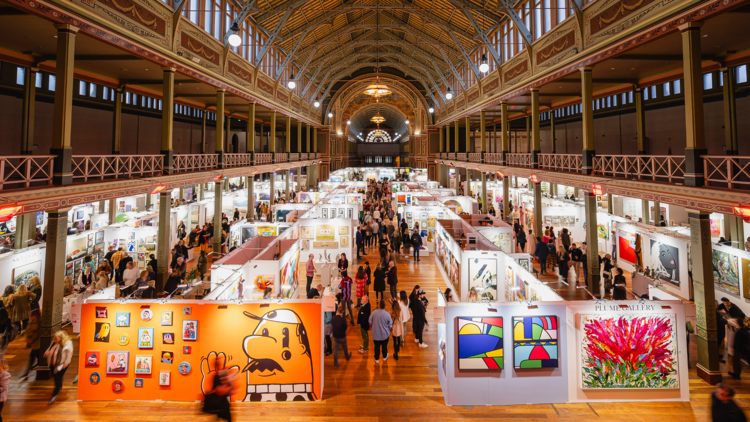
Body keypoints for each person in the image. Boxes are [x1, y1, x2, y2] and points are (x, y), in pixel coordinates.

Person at [44, 330, 73, 404]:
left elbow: (69, 355)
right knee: (56, 377)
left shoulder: (67, 344)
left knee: (57, 379)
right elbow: (49, 349)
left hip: (61, 364)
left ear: (61, 338)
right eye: (54, 339)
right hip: (52, 364)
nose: (54, 340)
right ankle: (59, 386)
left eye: (56, 339)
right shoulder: (54, 342)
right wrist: (46, 354)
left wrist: (65, 364)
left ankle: (54, 395)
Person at [20, 308, 40, 380]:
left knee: (32, 356)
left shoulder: (39, 322)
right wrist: (28, 337)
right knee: (37, 355)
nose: (31, 316)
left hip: (36, 342)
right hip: (32, 342)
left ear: (36, 315)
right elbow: (28, 329)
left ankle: (26, 373)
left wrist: (32, 339)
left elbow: (38, 332)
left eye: (32, 315)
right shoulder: (31, 321)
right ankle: (37, 364)